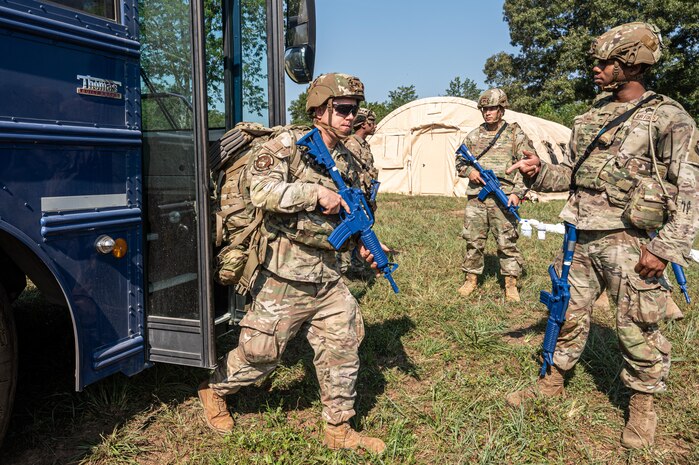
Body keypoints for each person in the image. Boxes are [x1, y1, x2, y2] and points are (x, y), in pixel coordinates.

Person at [505, 23, 699, 449]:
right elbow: (573, 177)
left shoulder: (670, 118)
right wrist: (541, 173)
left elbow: (689, 191)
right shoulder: (589, 117)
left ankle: (643, 405)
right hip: (579, 234)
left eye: (606, 62)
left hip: (631, 240)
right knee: (567, 311)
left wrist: (665, 249)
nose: (596, 68)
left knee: (637, 324)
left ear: (631, 63)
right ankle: (553, 379)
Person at [197, 73, 386, 454]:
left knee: (343, 346)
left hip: (328, 275)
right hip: (284, 275)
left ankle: (339, 428)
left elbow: (350, 211)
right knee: (261, 353)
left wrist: (365, 245)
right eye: (343, 109)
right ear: (319, 109)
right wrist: (314, 192)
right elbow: (262, 191)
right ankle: (214, 390)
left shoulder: (348, 156)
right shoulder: (286, 144)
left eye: (355, 110)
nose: (351, 118)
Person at [455, 88, 536, 302]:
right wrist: (470, 171)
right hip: (477, 199)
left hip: (504, 196)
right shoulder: (474, 135)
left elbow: (527, 167)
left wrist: (518, 193)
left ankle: (511, 283)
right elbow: (459, 161)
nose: (487, 113)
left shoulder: (515, 135)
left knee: (507, 241)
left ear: (502, 109)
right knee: (473, 240)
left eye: (491, 108)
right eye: (484, 109)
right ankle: (471, 279)